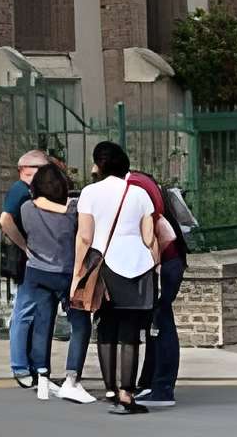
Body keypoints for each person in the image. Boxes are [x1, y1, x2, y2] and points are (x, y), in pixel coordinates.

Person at [74, 140, 159, 414]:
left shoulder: (89, 193)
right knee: (131, 333)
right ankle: (127, 394)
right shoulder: (139, 194)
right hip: (136, 265)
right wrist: (154, 265)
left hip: (103, 264)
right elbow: (149, 237)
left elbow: (85, 236)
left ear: (99, 164)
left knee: (106, 327)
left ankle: (110, 388)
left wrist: (77, 274)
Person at [15, 161, 95, 402]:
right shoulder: (73, 210)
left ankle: (42, 376)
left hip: (37, 272)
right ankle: (72, 377)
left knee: (42, 324)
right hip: (67, 272)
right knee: (80, 324)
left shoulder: (26, 208)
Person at [130, 161, 185, 406]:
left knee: (161, 324)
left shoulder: (134, 185)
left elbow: (150, 231)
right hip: (169, 259)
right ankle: (150, 382)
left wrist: (153, 266)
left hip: (163, 262)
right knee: (155, 325)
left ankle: (162, 389)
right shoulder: (140, 181)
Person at [2, 149, 53, 389]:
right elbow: (5, 220)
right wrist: (24, 246)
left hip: (33, 259)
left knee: (31, 313)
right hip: (26, 260)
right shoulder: (19, 190)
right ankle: (20, 366)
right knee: (23, 313)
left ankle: (31, 365)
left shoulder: (30, 191)